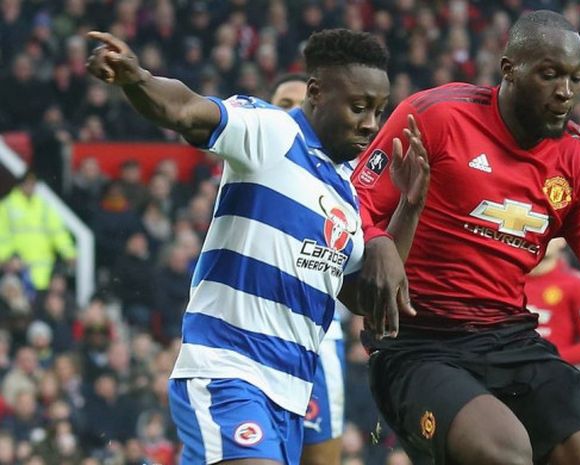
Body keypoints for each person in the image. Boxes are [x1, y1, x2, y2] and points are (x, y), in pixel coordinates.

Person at [351, 10, 580, 465]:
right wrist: (377, 241)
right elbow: (352, 202)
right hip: (418, 341)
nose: (565, 93)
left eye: (576, 78)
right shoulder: (435, 116)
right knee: (504, 452)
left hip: (509, 338)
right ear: (509, 70)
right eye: (550, 75)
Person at [86, 28, 429, 465]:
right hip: (229, 373)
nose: (370, 124)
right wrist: (138, 79)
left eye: (379, 111)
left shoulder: (347, 192)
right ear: (316, 93)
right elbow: (189, 111)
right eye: (359, 107)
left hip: (290, 396)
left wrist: (410, 207)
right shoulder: (273, 132)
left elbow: (364, 296)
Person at [269, 73, 344, 465]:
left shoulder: (343, 180)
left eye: (300, 104)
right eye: (283, 103)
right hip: (247, 344)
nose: (292, 113)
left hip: (317, 345)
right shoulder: (252, 159)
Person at [524, 238, 580, 366]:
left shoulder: (579, 285)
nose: (543, 238)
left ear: (562, 240)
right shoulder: (506, 280)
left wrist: (542, 359)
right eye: (540, 231)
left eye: (551, 234)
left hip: (554, 378)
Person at [0, 171, 76, 291]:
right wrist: (6, 257)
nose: (30, 187)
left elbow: (58, 232)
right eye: (27, 184)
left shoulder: (44, 206)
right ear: (20, 185)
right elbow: (2, 234)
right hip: (18, 268)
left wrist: (69, 253)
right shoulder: (7, 206)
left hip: (44, 269)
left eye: (33, 184)